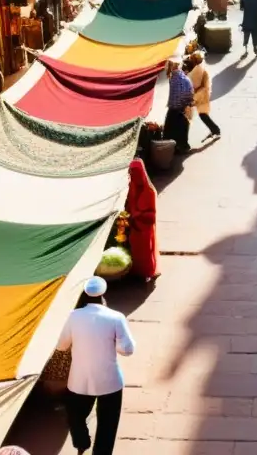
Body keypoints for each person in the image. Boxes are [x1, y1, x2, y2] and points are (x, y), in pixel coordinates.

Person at [57, 277, 137, 455]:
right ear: (103, 296)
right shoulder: (116, 317)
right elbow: (128, 349)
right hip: (110, 381)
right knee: (107, 425)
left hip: (79, 381)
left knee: (75, 415)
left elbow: (61, 345)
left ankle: (81, 443)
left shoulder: (72, 316)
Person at [124, 159, 159, 282]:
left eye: (137, 172)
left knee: (145, 251)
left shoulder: (149, 192)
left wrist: (138, 215)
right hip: (134, 228)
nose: (135, 175)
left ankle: (147, 271)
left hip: (144, 229)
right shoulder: (130, 188)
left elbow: (151, 215)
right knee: (134, 249)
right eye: (132, 172)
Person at [186, 51, 220, 139]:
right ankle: (214, 130)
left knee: (203, 115)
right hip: (201, 96)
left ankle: (216, 131)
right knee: (203, 115)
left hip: (202, 96)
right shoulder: (199, 69)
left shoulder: (200, 71)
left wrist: (194, 98)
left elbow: (203, 87)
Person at [163, 57, 193, 153]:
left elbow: (174, 96)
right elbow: (189, 92)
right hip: (184, 106)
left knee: (170, 128)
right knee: (182, 128)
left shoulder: (174, 78)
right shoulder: (183, 77)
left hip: (175, 107)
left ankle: (171, 147)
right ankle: (183, 146)